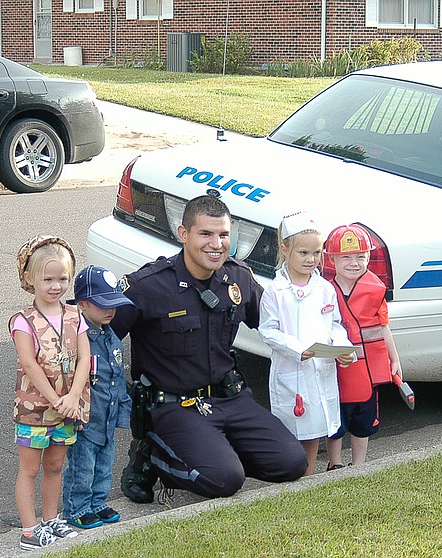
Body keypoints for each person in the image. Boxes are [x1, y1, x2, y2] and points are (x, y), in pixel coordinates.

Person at [112, 194, 308, 503]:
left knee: (292, 462)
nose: (216, 243)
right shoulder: (149, 286)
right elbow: (101, 336)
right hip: (175, 405)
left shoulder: (238, 278)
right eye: (205, 233)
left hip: (230, 398)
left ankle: (214, 450)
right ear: (184, 234)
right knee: (224, 479)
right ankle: (153, 456)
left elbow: (276, 323)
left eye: (223, 234)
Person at [258, 212, 356, 476]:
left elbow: (334, 324)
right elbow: (268, 331)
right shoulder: (274, 292)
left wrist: (342, 348)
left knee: (314, 427)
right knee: (292, 426)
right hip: (292, 370)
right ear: (285, 249)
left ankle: (308, 476)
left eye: (316, 253)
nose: (311, 260)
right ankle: (293, 474)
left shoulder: (325, 288)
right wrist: (299, 350)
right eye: (303, 253)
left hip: (321, 368)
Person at [9, 236, 91, 550]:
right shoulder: (23, 321)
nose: (56, 286)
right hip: (35, 409)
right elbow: (29, 364)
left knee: (56, 465)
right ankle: (30, 529)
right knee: (29, 469)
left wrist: (71, 399)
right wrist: (56, 399)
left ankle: (52, 520)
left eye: (63, 279)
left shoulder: (76, 315)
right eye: (48, 279)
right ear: (29, 278)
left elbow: (85, 358)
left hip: (68, 408)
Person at [323, 224, 402, 471]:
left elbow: (383, 327)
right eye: (346, 257)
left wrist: (394, 359)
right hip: (334, 369)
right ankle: (334, 464)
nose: (354, 263)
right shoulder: (323, 290)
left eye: (360, 257)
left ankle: (359, 466)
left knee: (363, 420)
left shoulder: (375, 290)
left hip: (366, 371)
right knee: (335, 420)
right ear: (332, 259)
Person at [62, 265, 134, 529]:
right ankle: (77, 508)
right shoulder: (77, 339)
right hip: (86, 418)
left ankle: (97, 502)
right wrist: (74, 412)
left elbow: (116, 374)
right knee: (83, 466)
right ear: (81, 305)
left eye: (114, 303)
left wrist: (123, 410)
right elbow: (71, 379)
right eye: (103, 304)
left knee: (104, 464)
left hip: (108, 415)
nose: (110, 310)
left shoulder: (110, 335)